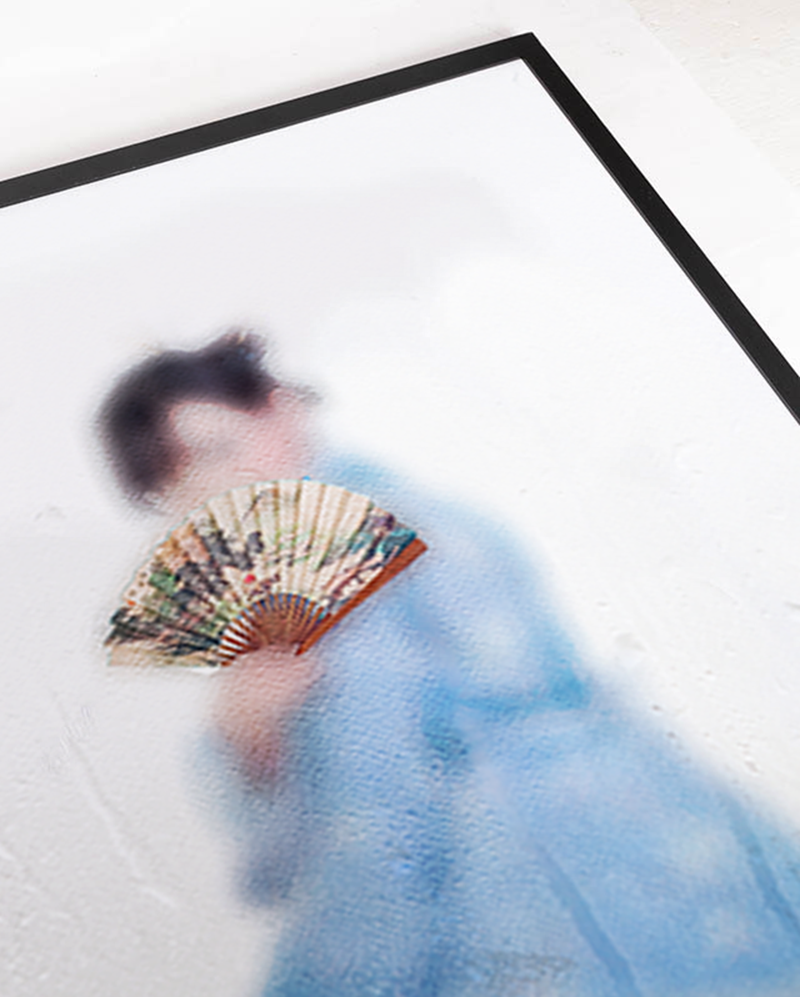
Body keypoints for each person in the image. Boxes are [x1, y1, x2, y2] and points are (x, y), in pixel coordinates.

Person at [101, 332, 800, 997]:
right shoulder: (274, 595)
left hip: (557, 862)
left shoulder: (398, 536)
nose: (219, 483)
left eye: (220, 446)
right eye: (178, 483)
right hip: (541, 859)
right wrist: (248, 739)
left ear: (279, 409)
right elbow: (304, 848)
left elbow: (384, 804)